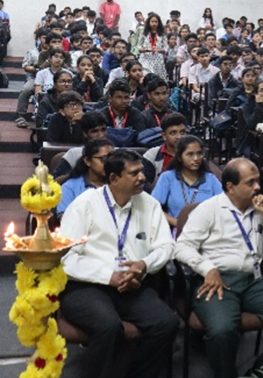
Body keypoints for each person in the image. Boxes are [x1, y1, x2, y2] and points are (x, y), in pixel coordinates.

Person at [175, 158, 263, 378]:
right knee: (222, 329)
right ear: (231, 187)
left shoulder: (260, 210)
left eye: (258, 181)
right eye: (250, 182)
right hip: (217, 280)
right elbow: (182, 247)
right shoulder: (209, 209)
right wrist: (207, 268)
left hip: (252, 280)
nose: (258, 187)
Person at [59, 149, 178, 378]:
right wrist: (108, 276)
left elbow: (166, 246)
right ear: (113, 178)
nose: (142, 177)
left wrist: (144, 265)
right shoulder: (85, 204)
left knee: (167, 323)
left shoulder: (149, 204)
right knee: (108, 326)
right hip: (87, 285)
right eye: (134, 173)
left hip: (132, 284)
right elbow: (66, 258)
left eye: (141, 171)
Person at [151, 135, 223, 228]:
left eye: (199, 153)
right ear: (179, 157)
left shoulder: (210, 178)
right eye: (190, 154)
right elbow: (153, 207)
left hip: (206, 229)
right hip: (176, 229)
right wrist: (178, 223)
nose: (196, 158)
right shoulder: (168, 177)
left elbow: (224, 206)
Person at [57, 138, 114, 216]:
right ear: (87, 161)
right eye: (103, 159)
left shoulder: (119, 184)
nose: (109, 163)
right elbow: (64, 219)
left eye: (112, 159)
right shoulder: (70, 188)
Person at [52, 112, 110, 180]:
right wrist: (76, 172)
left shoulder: (114, 153)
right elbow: (55, 181)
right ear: (85, 133)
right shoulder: (74, 154)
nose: (101, 135)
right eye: (95, 131)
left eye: (103, 130)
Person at [143, 112, 187, 177]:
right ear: (164, 136)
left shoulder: (195, 155)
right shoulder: (152, 155)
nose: (179, 137)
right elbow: (146, 181)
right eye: (173, 133)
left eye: (182, 132)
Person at [137, 13, 167, 80]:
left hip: (158, 58)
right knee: (145, 76)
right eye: (152, 21)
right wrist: (142, 49)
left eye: (156, 22)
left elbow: (166, 47)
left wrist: (160, 50)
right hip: (145, 57)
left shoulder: (162, 34)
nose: (154, 23)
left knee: (157, 77)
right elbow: (139, 45)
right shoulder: (143, 33)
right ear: (149, 22)